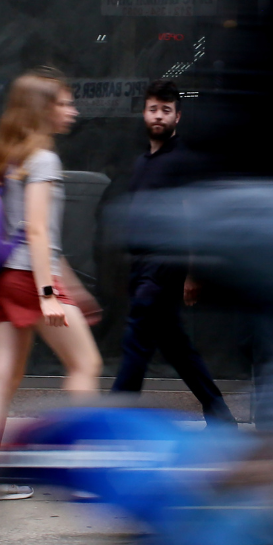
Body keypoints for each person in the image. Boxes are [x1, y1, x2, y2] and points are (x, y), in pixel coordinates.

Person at [0, 67, 103, 503]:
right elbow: (39, 233)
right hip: (30, 280)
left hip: (6, 277)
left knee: (2, 377)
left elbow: (30, 233)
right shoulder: (44, 160)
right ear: (43, 109)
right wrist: (49, 294)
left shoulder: (13, 157)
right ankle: (81, 474)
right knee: (86, 366)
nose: (71, 111)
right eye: (64, 102)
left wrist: (71, 288)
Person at [111, 81, 236, 427]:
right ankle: (221, 419)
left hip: (164, 265)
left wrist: (193, 272)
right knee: (178, 350)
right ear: (144, 113)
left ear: (177, 116)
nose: (158, 116)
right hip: (141, 267)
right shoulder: (142, 162)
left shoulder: (182, 160)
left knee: (136, 343)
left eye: (166, 110)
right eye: (153, 109)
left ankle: (113, 423)